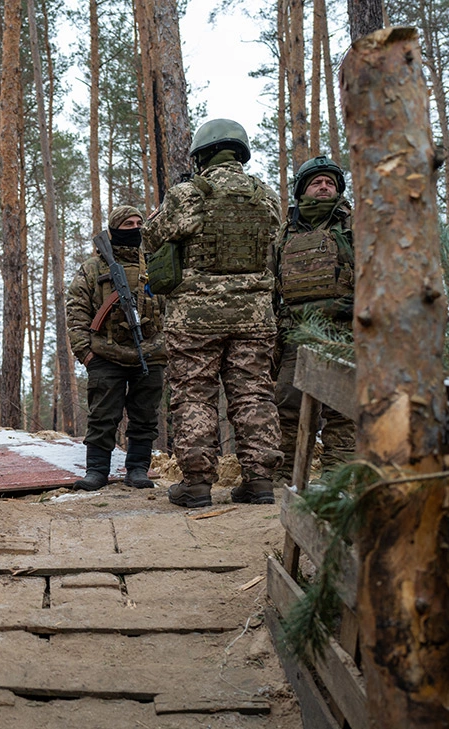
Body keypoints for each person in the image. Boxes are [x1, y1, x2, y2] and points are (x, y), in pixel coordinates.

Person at [142, 119, 283, 507]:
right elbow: (274, 237)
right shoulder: (266, 196)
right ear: (240, 154)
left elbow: (151, 237)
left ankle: (198, 485)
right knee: (254, 393)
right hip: (254, 315)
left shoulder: (187, 194)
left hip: (195, 318)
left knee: (194, 395)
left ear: (201, 156)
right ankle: (259, 481)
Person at [66, 205, 167, 491]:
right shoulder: (93, 267)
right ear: (113, 230)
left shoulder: (155, 264)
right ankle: (97, 471)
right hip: (105, 355)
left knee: (145, 417)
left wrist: (165, 344)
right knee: (102, 416)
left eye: (138, 223)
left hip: (150, 353)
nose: (135, 229)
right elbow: (76, 311)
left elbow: (172, 306)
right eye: (127, 224)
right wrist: (86, 353)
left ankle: (137, 469)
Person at [273, 156, 356, 482]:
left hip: (343, 330)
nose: (324, 187)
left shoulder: (352, 226)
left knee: (343, 407)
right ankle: (285, 474)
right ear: (302, 191)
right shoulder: (285, 233)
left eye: (330, 183)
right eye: (316, 182)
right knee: (287, 405)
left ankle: (338, 477)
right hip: (296, 332)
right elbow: (272, 282)